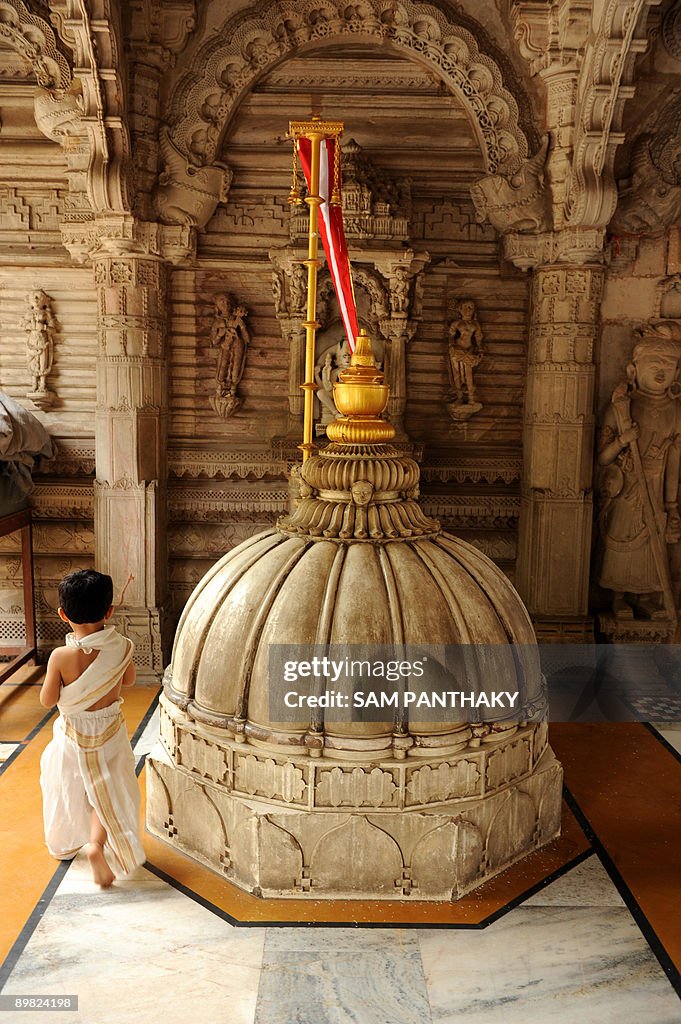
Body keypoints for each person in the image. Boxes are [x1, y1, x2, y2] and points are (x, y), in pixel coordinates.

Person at [39, 570, 145, 887]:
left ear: (62, 614)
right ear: (109, 611)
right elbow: (128, 682)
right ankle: (96, 844)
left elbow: (47, 701)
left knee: (71, 784)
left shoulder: (61, 655)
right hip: (110, 732)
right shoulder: (122, 646)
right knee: (105, 788)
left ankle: (69, 840)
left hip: (74, 734)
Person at [597, 331, 681, 619]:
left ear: (678, 373)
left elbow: (674, 462)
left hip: (655, 487)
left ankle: (646, 596)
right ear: (633, 370)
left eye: (669, 366)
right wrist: (622, 440)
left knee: (653, 542)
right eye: (654, 363)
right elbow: (602, 457)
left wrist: (671, 506)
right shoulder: (621, 407)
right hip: (627, 485)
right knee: (622, 536)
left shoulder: (676, 411)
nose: (661, 370)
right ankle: (619, 596)